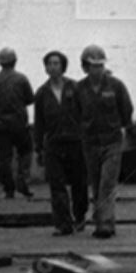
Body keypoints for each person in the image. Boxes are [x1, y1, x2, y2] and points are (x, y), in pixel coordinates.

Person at [74, 44, 133, 239]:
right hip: (90, 143)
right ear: (85, 67)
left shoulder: (116, 86)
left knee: (107, 183)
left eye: (100, 65)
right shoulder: (79, 89)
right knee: (96, 182)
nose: (97, 70)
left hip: (112, 141)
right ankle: (103, 220)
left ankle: (105, 225)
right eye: (93, 66)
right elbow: (75, 114)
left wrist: (123, 127)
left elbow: (126, 109)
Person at [34, 50, 86, 235]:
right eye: (49, 64)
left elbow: (85, 113)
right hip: (53, 144)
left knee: (79, 183)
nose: (53, 67)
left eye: (56, 63)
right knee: (56, 185)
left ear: (63, 66)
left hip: (75, 142)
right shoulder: (41, 93)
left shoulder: (75, 87)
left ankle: (80, 216)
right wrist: (38, 148)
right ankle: (63, 223)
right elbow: (39, 122)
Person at [0, 47, 36, 199]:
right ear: (15, 61)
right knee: (25, 152)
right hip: (19, 122)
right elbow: (30, 99)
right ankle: (22, 179)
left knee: (4, 158)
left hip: (1, 124)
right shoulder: (21, 79)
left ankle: (8, 188)